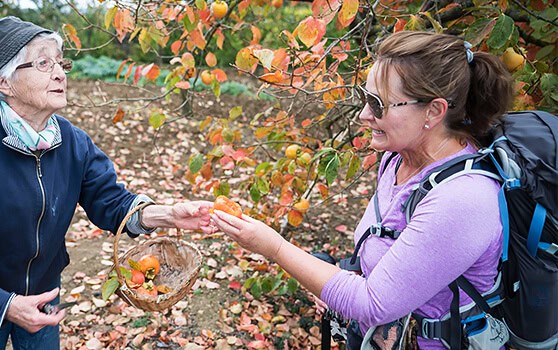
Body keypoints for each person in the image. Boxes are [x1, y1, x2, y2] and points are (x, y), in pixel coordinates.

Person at [0, 16, 213, 349]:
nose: (60, 73)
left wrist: (167, 214)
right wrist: (3, 305)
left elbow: (110, 203)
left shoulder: (72, 141)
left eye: (60, 62)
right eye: (42, 63)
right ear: (3, 82)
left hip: (44, 291)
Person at [210, 31, 513, 349]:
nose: (363, 115)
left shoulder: (463, 200)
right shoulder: (397, 160)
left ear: (434, 112)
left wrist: (273, 248)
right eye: (365, 98)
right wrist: (337, 280)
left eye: (378, 104)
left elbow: (373, 303)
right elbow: (388, 250)